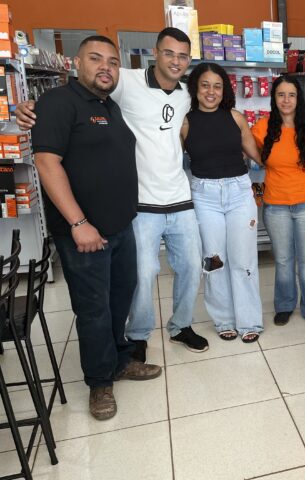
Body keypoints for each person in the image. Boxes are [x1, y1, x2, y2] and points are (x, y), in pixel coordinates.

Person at [18, 28, 209, 360]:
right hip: (141, 203)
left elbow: (214, 106)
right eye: (169, 53)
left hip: (180, 198)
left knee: (192, 267)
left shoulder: (186, 93)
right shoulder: (126, 81)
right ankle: (138, 334)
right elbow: (83, 91)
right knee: (143, 275)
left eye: (182, 56)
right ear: (155, 53)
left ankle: (181, 326)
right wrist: (32, 106)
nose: (175, 61)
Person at [31, 36, 162, 421]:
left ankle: (120, 360)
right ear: (77, 63)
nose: (106, 66)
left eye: (112, 61)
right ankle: (100, 381)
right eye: (96, 58)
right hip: (84, 235)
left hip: (120, 227)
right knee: (94, 310)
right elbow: (46, 163)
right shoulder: (58, 102)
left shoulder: (109, 105)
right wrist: (79, 222)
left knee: (120, 299)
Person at [181, 63, 264, 342]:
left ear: (224, 90)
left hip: (239, 192)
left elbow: (258, 155)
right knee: (214, 260)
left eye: (217, 86)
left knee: (243, 259)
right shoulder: (185, 122)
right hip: (204, 196)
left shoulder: (236, 117)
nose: (211, 91)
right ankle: (224, 319)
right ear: (195, 88)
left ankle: (250, 321)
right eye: (205, 85)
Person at [251, 75, 305, 327]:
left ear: (299, 99)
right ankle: (284, 305)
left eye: (291, 95)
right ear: (274, 98)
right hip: (275, 206)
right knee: (283, 260)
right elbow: (248, 150)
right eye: (281, 95)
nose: (286, 100)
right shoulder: (262, 128)